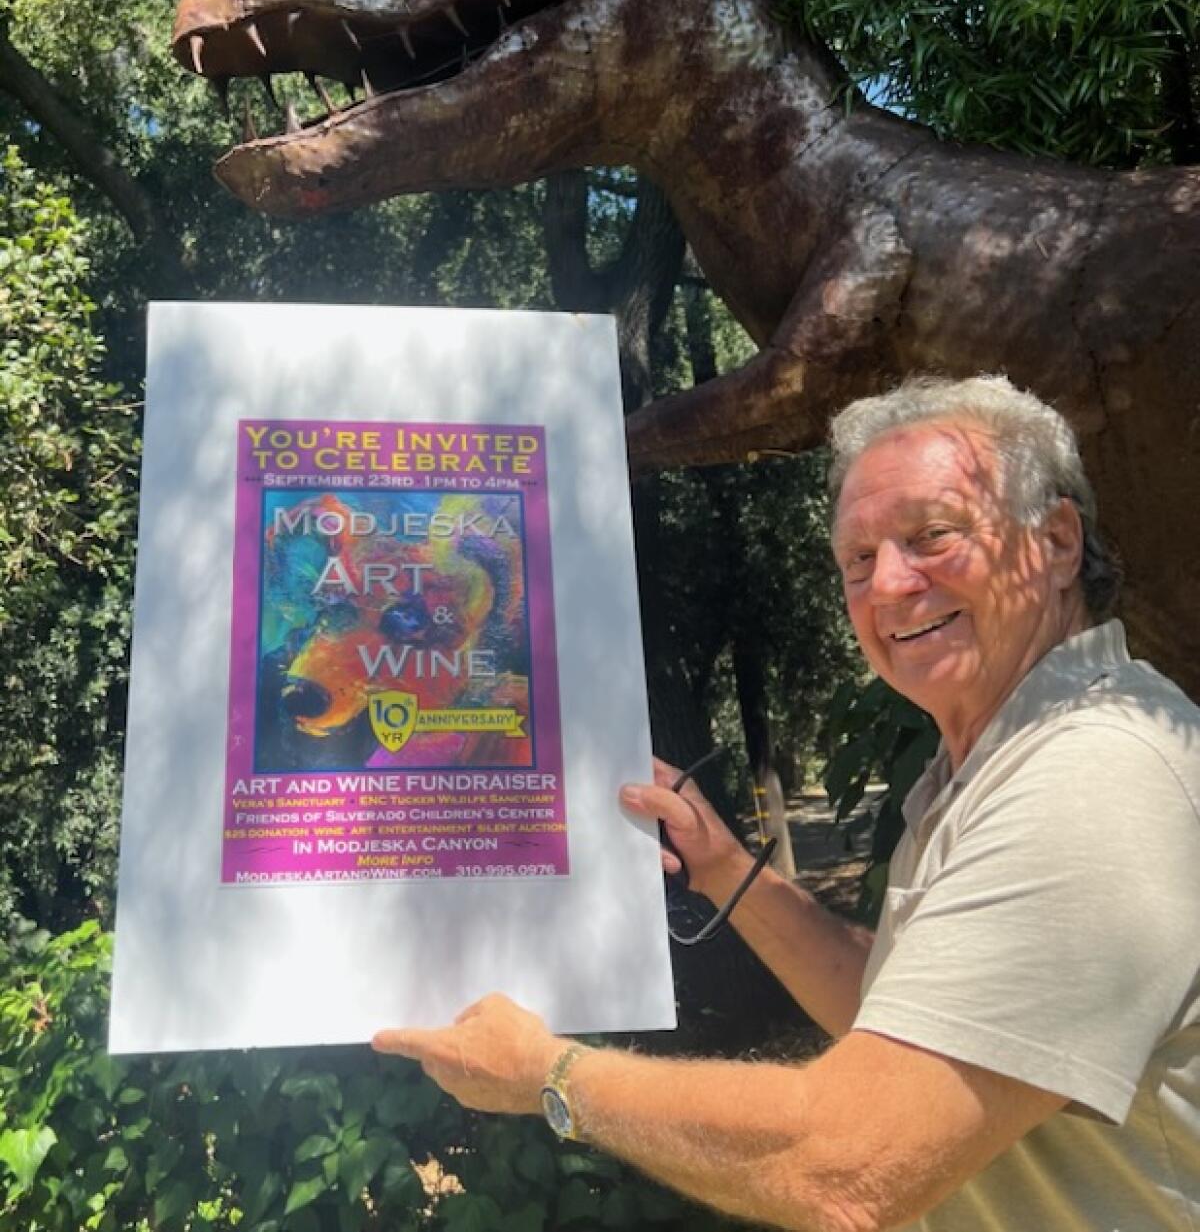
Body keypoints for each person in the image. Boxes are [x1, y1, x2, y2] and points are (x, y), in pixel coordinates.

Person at [373, 374, 1200, 1231]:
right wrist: (729, 871)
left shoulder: (1094, 776)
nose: (886, 586)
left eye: (932, 535)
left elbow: (845, 1165)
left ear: (1057, 540)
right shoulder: (993, 761)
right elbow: (920, 1018)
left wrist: (551, 1076)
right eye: (857, 559)